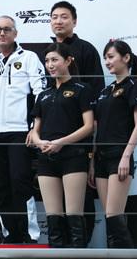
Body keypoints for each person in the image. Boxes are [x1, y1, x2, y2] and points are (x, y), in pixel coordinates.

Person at [0, 15, 45, 243]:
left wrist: (34, 128)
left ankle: (30, 236)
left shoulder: (30, 58)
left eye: (6, 29)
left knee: (20, 182)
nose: (1, 33)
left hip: (20, 132)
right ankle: (9, 235)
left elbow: (40, 94)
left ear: (15, 33)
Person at [47, 0, 105, 243]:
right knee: (54, 201)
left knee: (82, 196)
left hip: (82, 132)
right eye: (54, 17)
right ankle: (60, 248)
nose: (58, 21)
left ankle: (82, 246)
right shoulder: (47, 53)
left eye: (64, 17)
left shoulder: (86, 49)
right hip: (52, 136)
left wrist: (93, 124)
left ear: (74, 21)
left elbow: (98, 89)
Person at [29, 43, 94, 248]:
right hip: (46, 159)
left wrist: (61, 142)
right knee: (53, 218)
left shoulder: (82, 89)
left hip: (74, 157)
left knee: (74, 215)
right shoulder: (43, 95)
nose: (50, 65)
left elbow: (89, 126)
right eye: (47, 61)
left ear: (68, 61)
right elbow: (34, 131)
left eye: (54, 60)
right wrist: (40, 142)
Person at [89, 40, 137, 248]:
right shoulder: (105, 91)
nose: (107, 62)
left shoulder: (135, 84)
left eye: (111, 56)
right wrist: (92, 162)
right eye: (105, 58)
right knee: (109, 218)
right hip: (101, 159)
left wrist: (125, 156)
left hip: (119, 156)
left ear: (126, 58)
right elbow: (97, 128)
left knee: (114, 216)